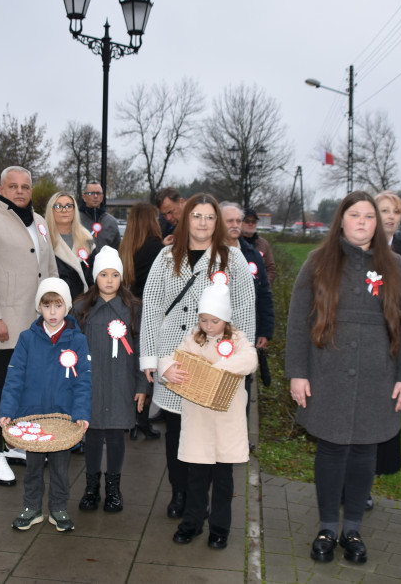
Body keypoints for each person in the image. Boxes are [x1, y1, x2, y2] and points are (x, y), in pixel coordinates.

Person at [285, 191, 401, 565]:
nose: (363, 222)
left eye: (369, 216)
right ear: (341, 221)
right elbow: (298, 323)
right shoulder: (318, 262)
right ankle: (328, 526)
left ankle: (352, 529)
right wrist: (297, 372)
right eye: (355, 215)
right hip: (327, 374)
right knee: (331, 449)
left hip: (379, 375)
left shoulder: (394, 265)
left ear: (378, 223)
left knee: (364, 450)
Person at [140, 193, 255, 519]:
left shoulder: (232, 260)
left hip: (214, 361)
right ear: (184, 218)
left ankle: (201, 499)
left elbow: (245, 313)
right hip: (174, 360)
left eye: (209, 217)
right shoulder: (165, 257)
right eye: (196, 216)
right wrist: (150, 359)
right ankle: (180, 494)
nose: (202, 223)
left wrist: (234, 365)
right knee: (176, 430)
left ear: (217, 222)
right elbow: (151, 308)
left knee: (207, 432)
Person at [0, 166, 59, 486]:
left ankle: (13, 443)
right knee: (0, 385)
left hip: (36, 323)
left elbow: (49, 270)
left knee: (25, 386)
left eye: (25, 186)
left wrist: (56, 312)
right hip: (5, 321)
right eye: (13, 186)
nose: (20, 191)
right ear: (1, 189)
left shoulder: (39, 222)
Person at [159, 280, 257, 549]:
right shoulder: (193, 338)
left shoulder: (237, 339)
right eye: (203, 320)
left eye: (214, 321)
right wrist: (167, 370)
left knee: (224, 481)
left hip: (227, 420)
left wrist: (221, 367)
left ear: (225, 319)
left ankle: (220, 528)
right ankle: (191, 523)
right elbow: (173, 357)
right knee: (196, 477)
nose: (208, 326)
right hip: (200, 420)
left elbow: (250, 360)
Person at [0, 278, 92, 532]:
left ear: (67, 308)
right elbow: (14, 377)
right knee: (33, 468)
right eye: (47, 305)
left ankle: (59, 507)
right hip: (33, 419)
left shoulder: (77, 341)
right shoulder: (27, 339)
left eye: (58, 306)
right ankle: (31, 507)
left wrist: (81, 413)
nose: (52, 312)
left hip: (63, 420)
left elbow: (83, 381)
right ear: (39, 307)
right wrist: (7, 411)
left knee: (61, 468)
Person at [73, 246, 146, 513]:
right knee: (91, 435)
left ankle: (113, 487)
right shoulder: (81, 308)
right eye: (103, 274)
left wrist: (141, 386)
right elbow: (70, 350)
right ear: (95, 277)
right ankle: (91, 486)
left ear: (122, 277)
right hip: (90, 384)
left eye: (115, 274)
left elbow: (141, 350)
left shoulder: (133, 308)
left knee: (116, 434)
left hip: (120, 383)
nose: (109, 280)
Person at [366, 190, 401, 507]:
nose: (390, 217)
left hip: (390, 349)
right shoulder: (359, 249)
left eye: (396, 212)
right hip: (360, 346)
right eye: (384, 210)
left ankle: (368, 485)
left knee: (381, 416)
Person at [119, 201, 165, 440]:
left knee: (132, 363)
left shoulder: (126, 246)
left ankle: (129, 419)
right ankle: (142, 419)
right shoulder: (157, 247)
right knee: (148, 366)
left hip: (129, 310)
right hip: (151, 312)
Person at [222, 202, 275, 394]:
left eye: (238, 220)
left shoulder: (253, 255)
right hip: (215, 333)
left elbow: (264, 294)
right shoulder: (210, 253)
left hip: (245, 333)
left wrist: (265, 331)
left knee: (241, 389)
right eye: (230, 221)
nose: (235, 224)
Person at [45, 191, 94, 300]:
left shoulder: (87, 239)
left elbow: (93, 277)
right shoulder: (43, 239)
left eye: (68, 206)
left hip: (84, 305)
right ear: (51, 210)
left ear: (74, 209)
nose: (64, 210)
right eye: (58, 206)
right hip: (54, 305)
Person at [78, 180, 122, 251]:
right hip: (80, 261)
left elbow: (118, 248)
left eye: (98, 193)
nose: (95, 196)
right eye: (91, 193)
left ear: (102, 197)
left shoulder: (111, 222)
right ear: (84, 197)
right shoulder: (75, 220)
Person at [241, 207, 277, 284]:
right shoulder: (234, 242)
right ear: (240, 223)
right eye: (247, 221)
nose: (250, 224)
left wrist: (264, 285)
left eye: (253, 222)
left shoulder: (264, 244)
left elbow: (271, 268)